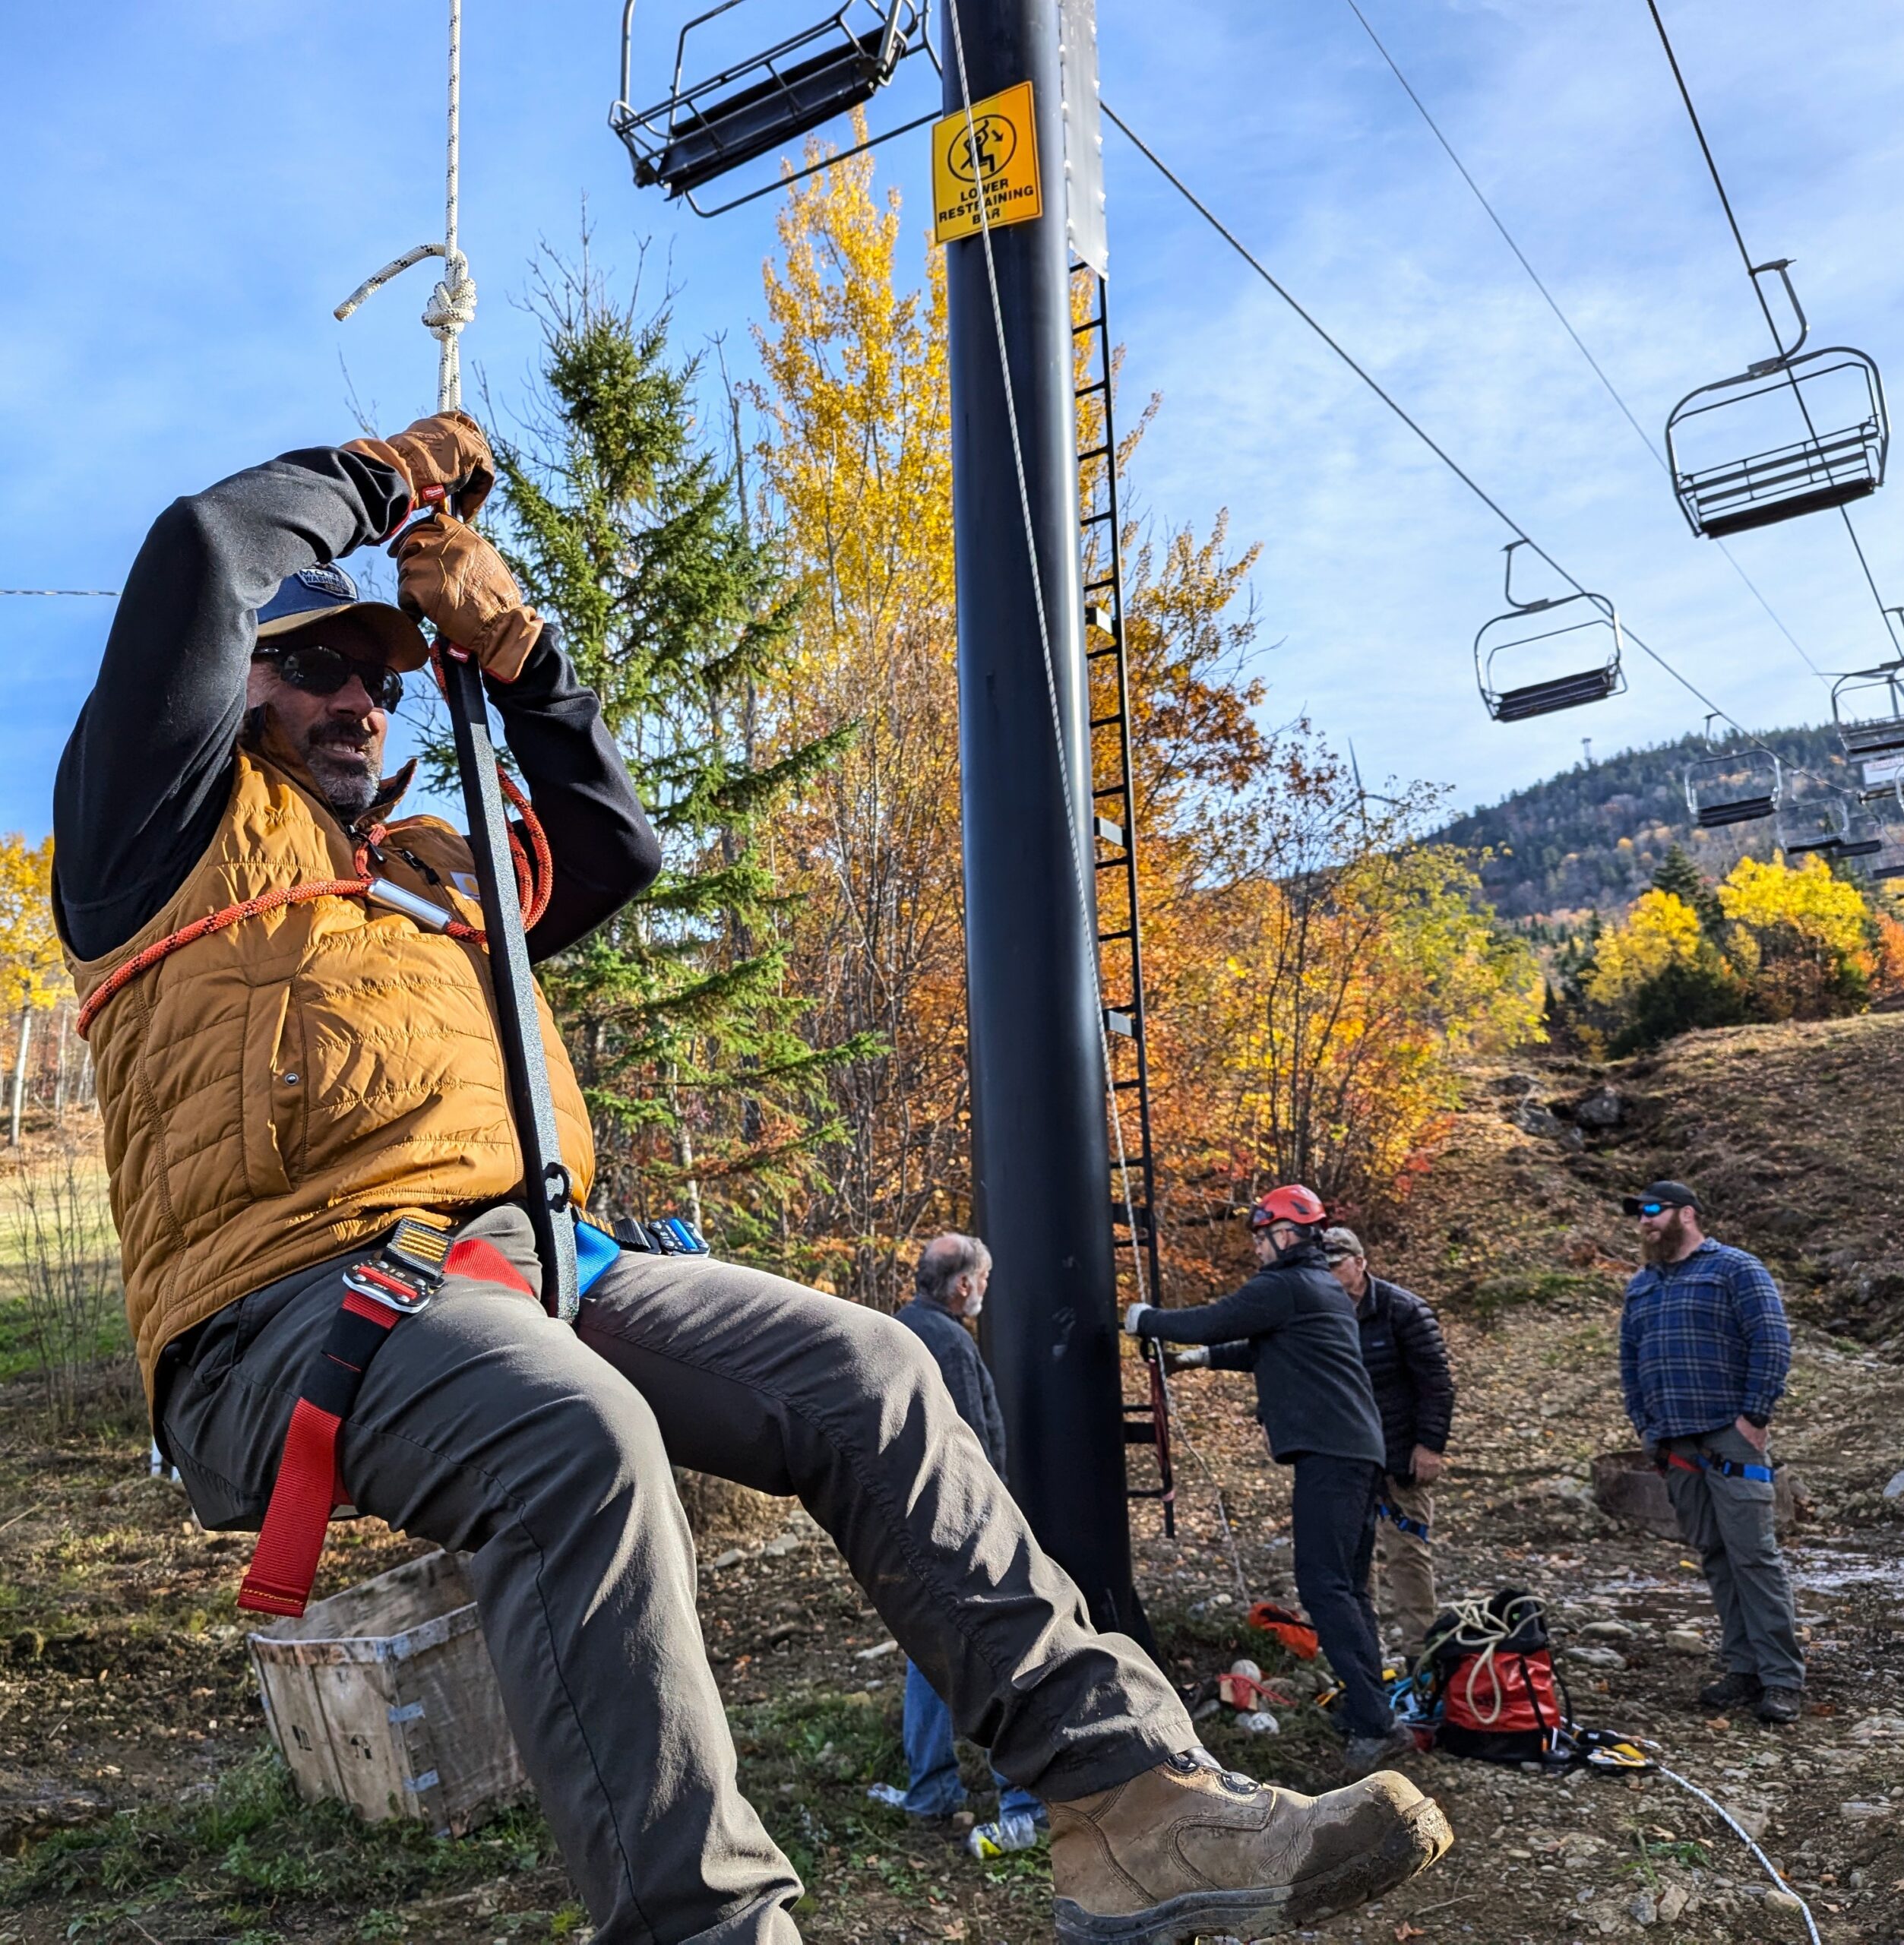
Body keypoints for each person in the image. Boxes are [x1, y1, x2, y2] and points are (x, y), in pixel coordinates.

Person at [55, 418, 1450, 1945]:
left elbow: (614, 849)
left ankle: (1128, 1802)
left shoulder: (435, 872)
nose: (358, 701)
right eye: (316, 666)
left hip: (534, 1265)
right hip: (286, 1303)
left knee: (870, 1371)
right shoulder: (159, 832)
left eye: (383, 680)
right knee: (568, 1438)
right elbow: (203, 550)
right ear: (234, 687)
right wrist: (396, 477)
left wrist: (517, 656)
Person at [1124, 1186, 1415, 1776]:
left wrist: (1145, 1320)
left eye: (1262, 1236)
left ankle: (1377, 1724)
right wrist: (1201, 1363)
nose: (1257, 1248)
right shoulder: (1319, 1288)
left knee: (1324, 1586)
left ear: (1288, 1234)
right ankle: (1371, 1711)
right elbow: (1269, 1347)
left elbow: (1216, 1320)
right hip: (1357, 1452)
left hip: (1331, 1456)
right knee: (1350, 1590)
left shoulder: (1285, 1286)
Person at [870, 1235, 1046, 1858]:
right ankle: (1022, 1807)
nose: (986, 1291)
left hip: (910, 1526)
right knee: (998, 1652)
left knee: (928, 1654)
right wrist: (992, 1531)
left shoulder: (897, 1330)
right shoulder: (948, 1342)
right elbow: (968, 1447)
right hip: (961, 1528)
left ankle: (931, 1792)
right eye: (985, 1279)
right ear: (964, 1284)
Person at [1618, 1181, 1802, 1725]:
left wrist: (1755, 1418)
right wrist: (1646, 1427)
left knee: (1754, 1556)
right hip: (1675, 1442)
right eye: (1639, 1214)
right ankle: (1742, 1668)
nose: (1644, 1221)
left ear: (1687, 1214)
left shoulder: (1735, 1269)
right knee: (1717, 1558)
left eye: (1653, 1210)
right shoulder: (1641, 1286)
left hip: (1730, 1434)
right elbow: (1630, 1363)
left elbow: (1771, 1340)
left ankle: (1781, 1679)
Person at [1320, 1228, 1453, 1659]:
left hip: (1400, 1455)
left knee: (1408, 1556)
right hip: (1345, 1458)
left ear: (1360, 1262)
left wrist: (1430, 1446)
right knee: (1352, 1563)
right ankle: (1367, 1656)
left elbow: (1436, 1383)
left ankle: (1421, 1655)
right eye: (1324, 1265)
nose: (1332, 1272)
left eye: (1338, 1263)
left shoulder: (1404, 1310)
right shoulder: (1317, 1314)